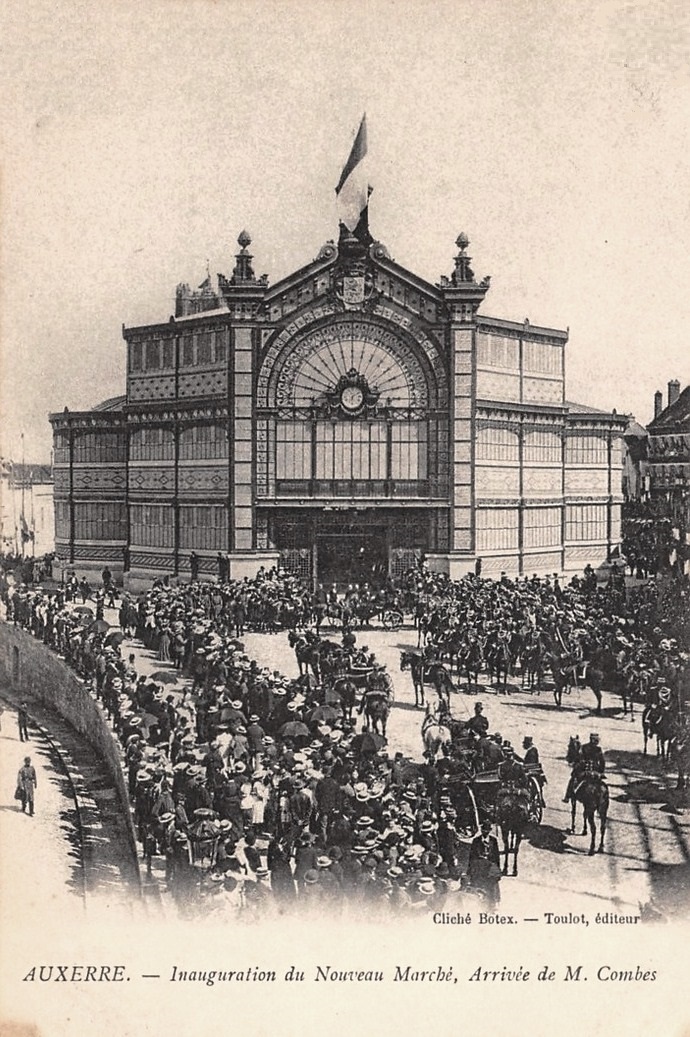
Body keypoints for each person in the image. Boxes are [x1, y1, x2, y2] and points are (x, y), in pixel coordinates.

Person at [468, 820, 501, 909]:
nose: (485, 832)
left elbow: (496, 856)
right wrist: (470, 870)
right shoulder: (476, 841)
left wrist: (498, 869)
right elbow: (471, 856)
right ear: (481, 830)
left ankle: (493, 903)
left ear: (490, 831)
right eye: (483, 830)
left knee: (493, 884)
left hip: (490, 867)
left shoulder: (493, 841)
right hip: (479, 867)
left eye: (487, 831)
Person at [563, 733, 604, 802]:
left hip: (585, 772)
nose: (597, 742)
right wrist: (601, 772)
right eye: (596, 740)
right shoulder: (598, 749)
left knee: (573, 780)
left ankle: (567, 797)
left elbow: (580, 759)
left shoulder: (585, 747)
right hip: (595, 773)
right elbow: (602, 762)